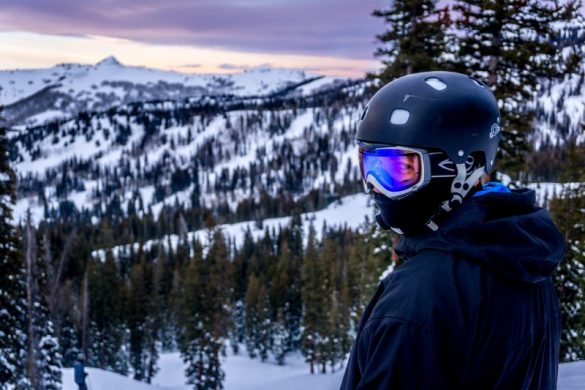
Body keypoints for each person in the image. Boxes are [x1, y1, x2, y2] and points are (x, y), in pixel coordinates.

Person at [340, 71, 565, 389]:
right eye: (369, 166)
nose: (376, 187)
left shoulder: (418, 304)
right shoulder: (524, 257)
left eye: (399, 169)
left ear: (464, 168)